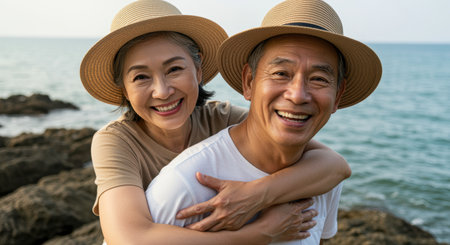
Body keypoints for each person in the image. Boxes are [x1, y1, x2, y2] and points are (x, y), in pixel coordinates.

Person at [80, 0, 352, 244]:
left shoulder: (222, 118)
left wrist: (254, 195)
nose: (162, 91)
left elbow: (334, 166)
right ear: (124, 89)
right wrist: (261, 233)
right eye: (140, 77)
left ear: (198, 71)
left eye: (174, 69)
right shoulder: (116, 141)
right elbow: (128, 237)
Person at [145, 0, 382, 244]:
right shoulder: (184, 184)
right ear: (249, 82)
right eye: (281, 73)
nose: (298, 94)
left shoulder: (322, 180)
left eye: (319, 78)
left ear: (338, 96)